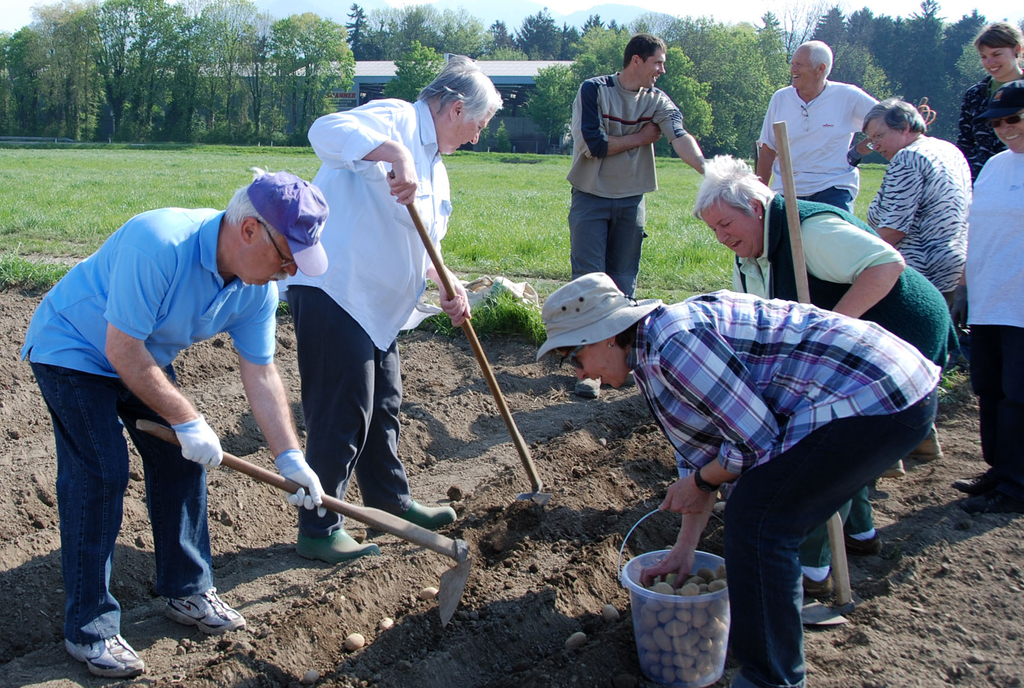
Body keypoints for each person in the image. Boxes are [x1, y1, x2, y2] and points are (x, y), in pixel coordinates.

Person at [537, 273, 939, 688]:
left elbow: (754, 440)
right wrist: (684, 547)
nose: (581, 374)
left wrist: (702, 482)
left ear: (605, 336)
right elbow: (703, 455)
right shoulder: (650, 357)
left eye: (574, 357)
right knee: (759, 509)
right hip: (868, 392)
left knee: (761, 522)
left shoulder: (677, 347)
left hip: (875, 393)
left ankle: (771, 678)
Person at [21, 170, 331, 678]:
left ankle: (187, 590)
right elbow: (119, 346)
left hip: (139, 353)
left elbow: (260, 371)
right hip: (74, 347)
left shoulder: (257, 290)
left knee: (181, 461)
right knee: (101, 472)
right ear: (249, 230)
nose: (289, 269)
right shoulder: (160, 242)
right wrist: (188, 418)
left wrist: (290, 458)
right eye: (286, 254)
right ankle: (89, 628)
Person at [694, 155, 954, 596]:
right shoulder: (754, 252)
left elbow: (886, 265)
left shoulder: (807, 231)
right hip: (858, 347)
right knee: (839, 433)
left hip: (904, 334)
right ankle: (860, 533)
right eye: (713, 230)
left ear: (756, 208)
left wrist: (830, 332)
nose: (721, 238)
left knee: (820, 442)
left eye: (725, 224)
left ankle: (811, 568)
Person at [283, 56, 500, 564]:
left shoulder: (439, 170)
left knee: (383, 404)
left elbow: (424, 243)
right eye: (479, 124)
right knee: (343, 410)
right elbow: (325, 130)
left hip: (377, 307)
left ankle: (389, 500)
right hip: (337, 288)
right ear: (454, 107)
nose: (477, 137)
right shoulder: (397, 119)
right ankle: (319, 527)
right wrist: (395, 152)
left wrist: (447, 284)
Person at [567, 33, 706, 398]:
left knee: (624, 282)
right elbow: (593, 145)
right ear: (636, 61)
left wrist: (710, 172)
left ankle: (623, 362)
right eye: (658, 62)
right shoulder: (594, 90)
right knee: (588, 282)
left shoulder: (658, 100)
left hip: (631, 200)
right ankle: (587, 370)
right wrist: (641, 138)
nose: (661, 70)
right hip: (591, 197)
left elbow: (679, 136)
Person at [949, 81, 1024, 514]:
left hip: (1020, 302)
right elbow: (976, 230)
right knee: (990, 389)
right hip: (990, 298)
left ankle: (1017, 484)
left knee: (1020, 395)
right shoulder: (995, 166)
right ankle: (998, 470)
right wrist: (963, 285)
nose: (1004, 128)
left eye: (1014, 118)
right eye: (997, 122)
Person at [864, 99, 972, 303]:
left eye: (879, 136)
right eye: (871, 140)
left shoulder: (907, 158)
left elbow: (893, 229)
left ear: (904, 128)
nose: (875, 146)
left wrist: (855, 260)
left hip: (920, 273)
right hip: (954, 269)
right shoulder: (949, 149)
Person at [756, 40, 877, 213]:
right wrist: (760, 194)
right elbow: (768, 150)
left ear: (820, 69)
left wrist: (861, 149)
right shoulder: (781, 98)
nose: (793, 70)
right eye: (792, 64)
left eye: (799, 65)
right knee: (782, 240)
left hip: (834, 188)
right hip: (788, 190)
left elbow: (887, 123)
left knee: (832, 238)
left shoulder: (848, 96)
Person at [957, 22, 1024, 182]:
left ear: (1017, 50)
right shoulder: (974, 95)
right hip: (982, 182)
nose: (989, 62)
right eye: (984, 57)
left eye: (996, 54)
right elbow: (965, 145)